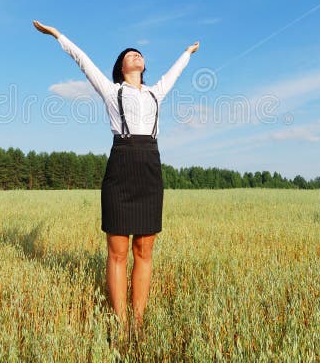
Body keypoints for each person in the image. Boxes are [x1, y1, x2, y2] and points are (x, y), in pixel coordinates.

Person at [32, 19, 199, 330]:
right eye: (129, 54)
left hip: (149, 166)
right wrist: (57, 35)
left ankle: (138, 320)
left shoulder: (155, 93)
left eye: (139, 53)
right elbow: (83, 61)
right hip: (120, 167)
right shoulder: (111, 92)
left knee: (144, 249)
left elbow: (175, 73)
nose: (136, 54)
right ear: (121, 67)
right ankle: (120, 321)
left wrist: (187, 53)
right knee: (118, 249)